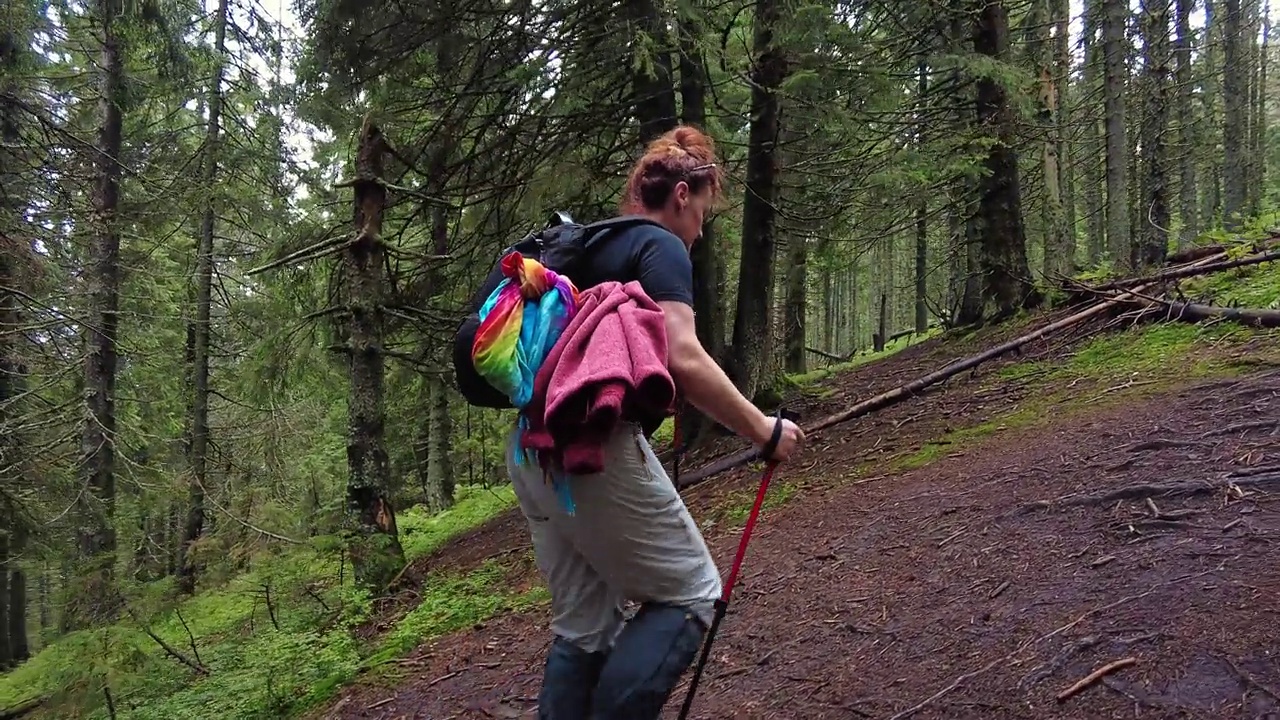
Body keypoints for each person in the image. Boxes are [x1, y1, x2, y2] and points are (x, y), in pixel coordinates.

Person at [506, 124, 806, 720]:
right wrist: (763, 430)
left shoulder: (587, 244)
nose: (698, 231)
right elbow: (682, 355)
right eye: (702, 214)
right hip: (590, 450)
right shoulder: (660, 246)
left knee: (586, 624)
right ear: (681, 197)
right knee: (690, 593)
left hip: (528, 452)